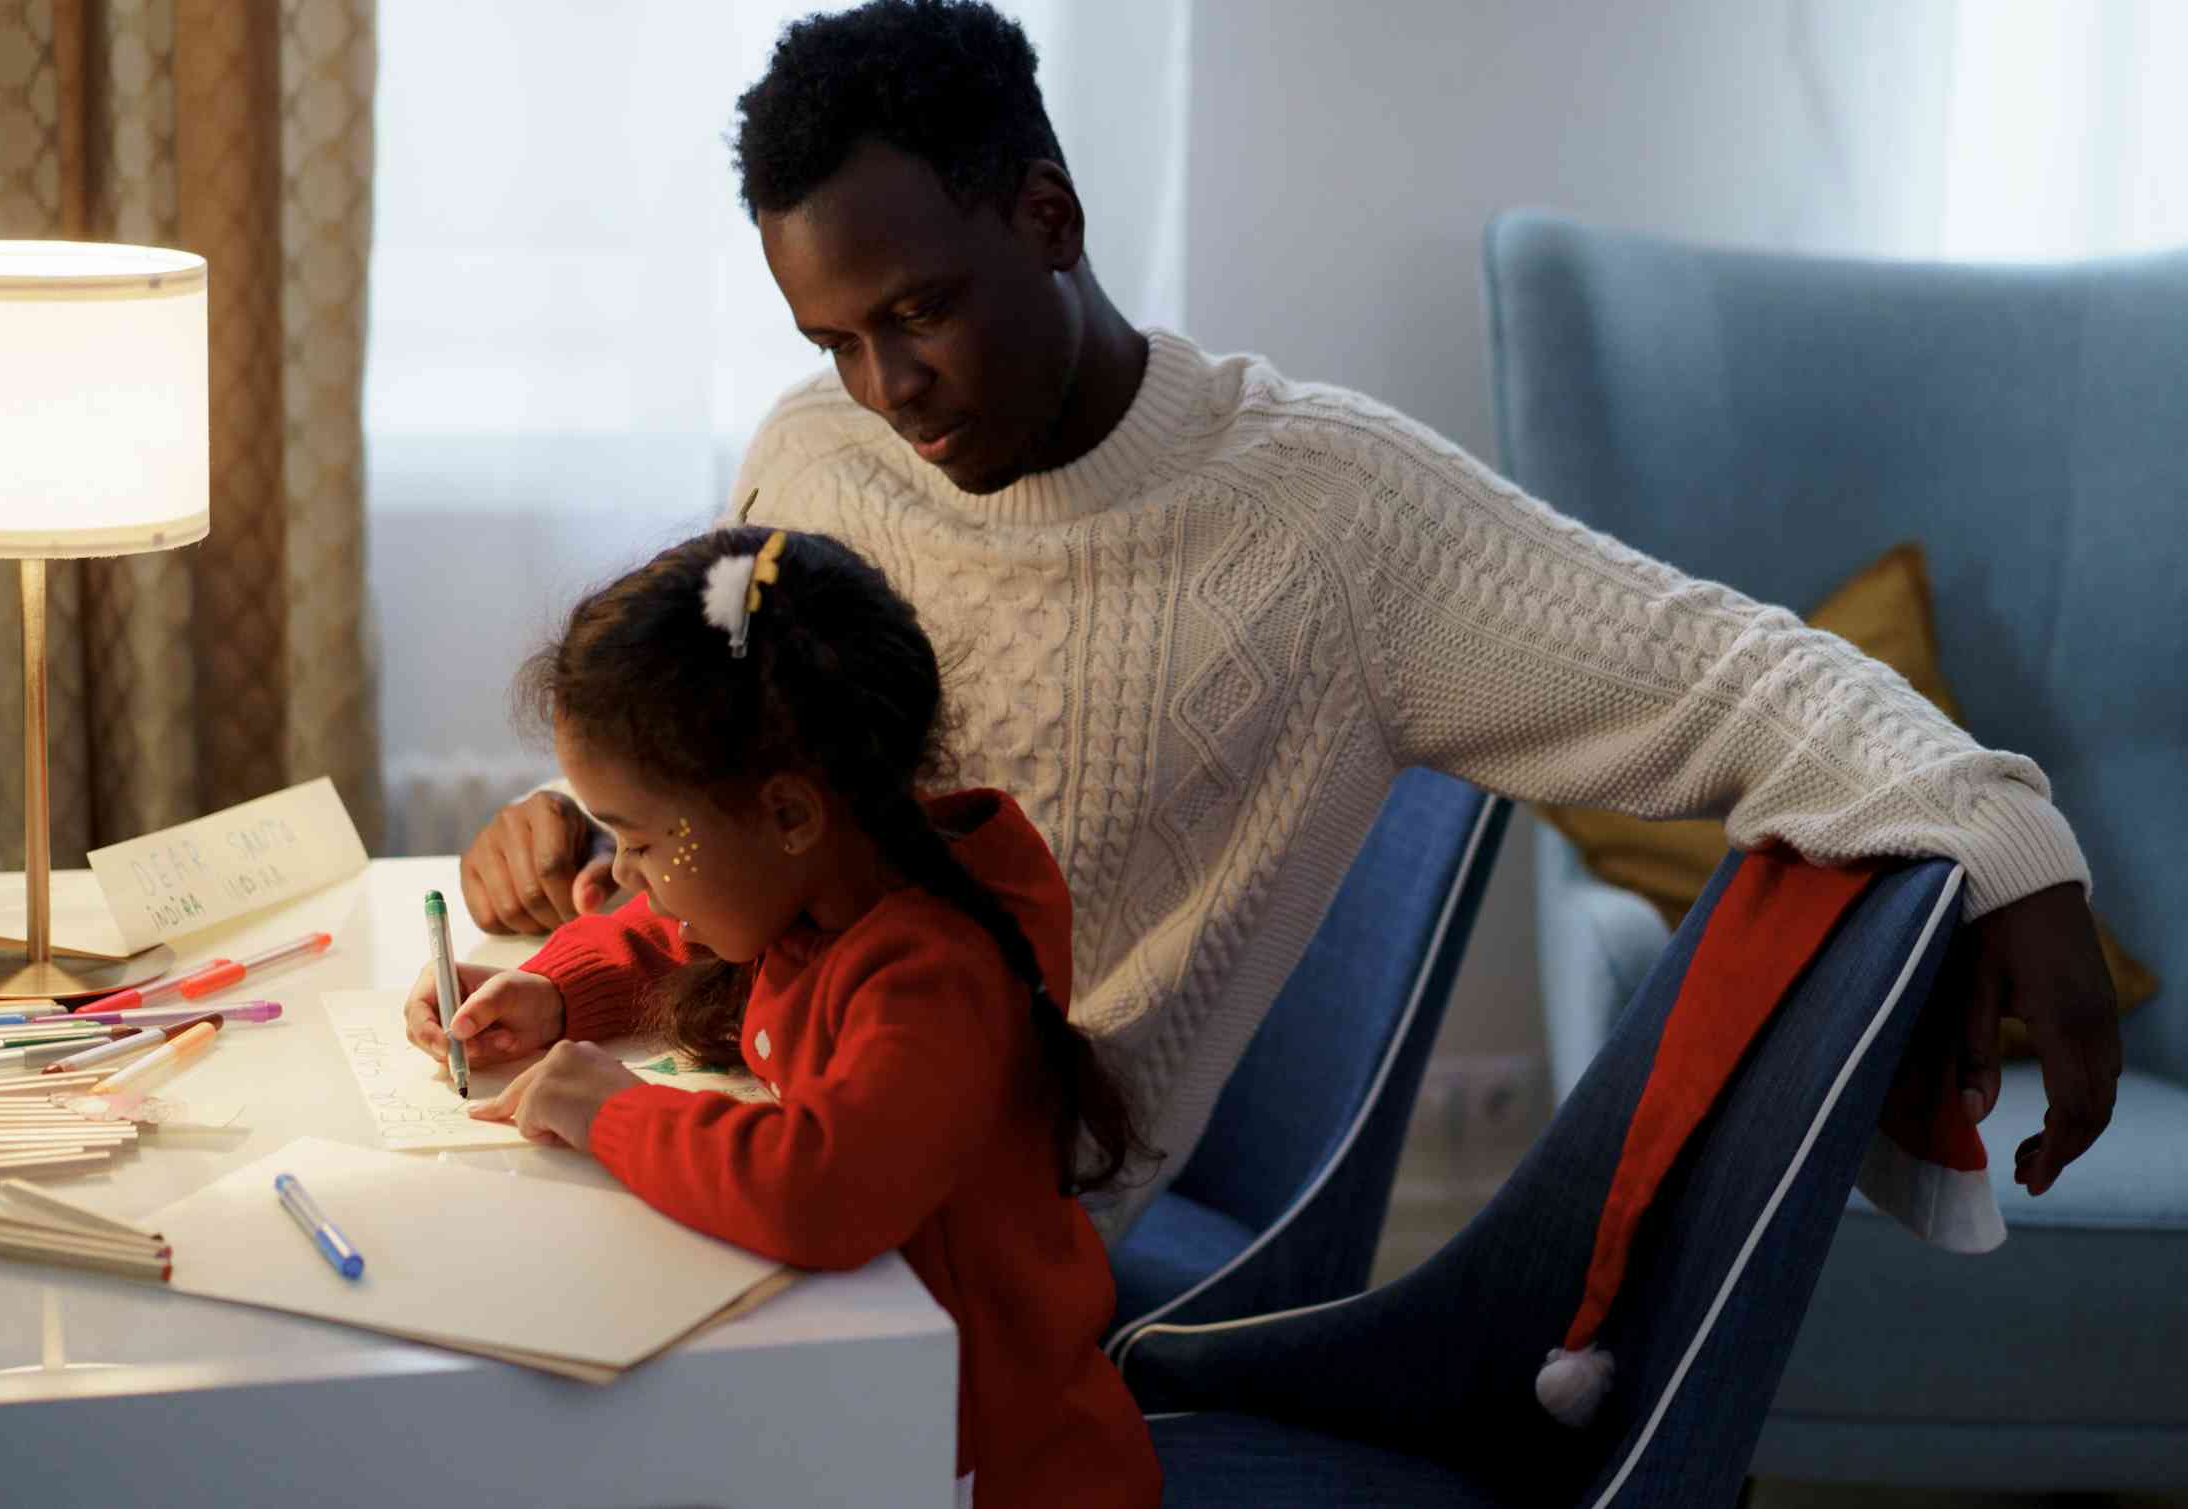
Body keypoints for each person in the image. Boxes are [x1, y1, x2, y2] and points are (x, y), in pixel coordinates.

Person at [450, 0, 2119, 1242]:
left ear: (1047, 215)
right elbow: (767, 826)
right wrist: (613, 843)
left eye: (917, 312)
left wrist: (2003, 831)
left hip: (991, 1238)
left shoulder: (1332, 516)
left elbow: (1723, 670)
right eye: (834, 339)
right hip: (762, 1110)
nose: (886, 389)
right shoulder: (815, 457)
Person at [412, 525, 1161, 1509]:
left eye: (636, 840)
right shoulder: (821, 875)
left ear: (790, 815)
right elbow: (666, 934)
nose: (620, 874)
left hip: (982, 1457)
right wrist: (555, 991)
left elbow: (821, 1189)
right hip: (858, 1397)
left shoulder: (932, 973)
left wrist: (612, 1114)